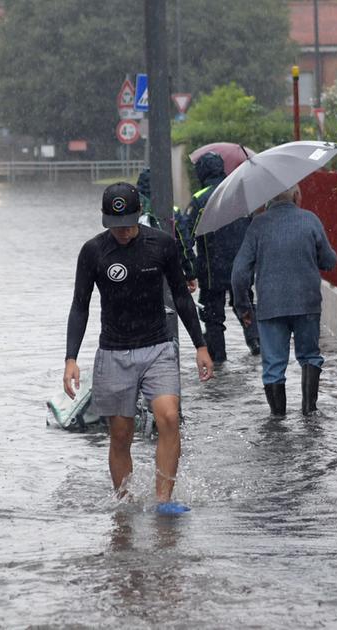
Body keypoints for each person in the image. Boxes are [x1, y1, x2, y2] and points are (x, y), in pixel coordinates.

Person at [64, 182, 214, 513]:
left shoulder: (161, 245)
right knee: (120, 434)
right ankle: (124, 502)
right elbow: (80, 306)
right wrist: (71, 358)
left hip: (158, 346)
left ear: (138, 216)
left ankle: (163, 500)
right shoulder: (93, 252)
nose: (121, 232)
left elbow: (181, 295)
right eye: (114, 226)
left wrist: (200, 346)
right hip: (114, 352)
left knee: (169, 418)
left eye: (128, 224)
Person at [231, 184, 337, 416]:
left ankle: (277, 418)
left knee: (273, 365)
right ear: (297, 196)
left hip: (270, 307)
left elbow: (239, 273)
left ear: (268, 200)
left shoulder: (257, 225)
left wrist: (244, 308)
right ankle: (310, 411)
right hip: (307, 304)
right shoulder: (310, 220)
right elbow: (329, 261)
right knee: (309, 356)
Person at [178, 152, 260, 364]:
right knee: (245, 303)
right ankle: (256, 343)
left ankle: (219, 356)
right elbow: (253, 228)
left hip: (211, 269)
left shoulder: (200, 200)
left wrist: (190, 268)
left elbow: (187, 235)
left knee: (213, 315)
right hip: (241, 266)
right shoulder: (239, 194)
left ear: (202, 172)